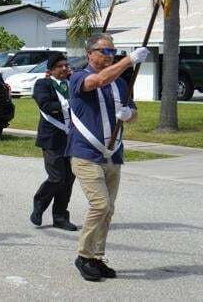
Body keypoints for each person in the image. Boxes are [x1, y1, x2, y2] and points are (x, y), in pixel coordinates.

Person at [67, 33, 147, 281]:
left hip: (113, 154)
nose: (109, 56)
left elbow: (133, 112)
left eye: (112, 52)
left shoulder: (121, 84)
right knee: (100, 205)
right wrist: (129, 60)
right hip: (86, 154)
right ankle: (83, 255)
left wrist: (128, 114)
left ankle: (97, 257)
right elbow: (96, 82)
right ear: (90, 53)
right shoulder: (79, 77)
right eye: (104, 51)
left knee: (108, 210)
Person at [30, 52, 77, 231]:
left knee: (68, 179)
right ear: (51, 70)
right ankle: (39, 205)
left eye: (66, 65)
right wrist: (68, 103)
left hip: (72, 138)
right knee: (57, 177)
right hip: (52, 138)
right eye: (59, 66)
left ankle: (60, 216)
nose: (64, 69)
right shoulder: (43, 84)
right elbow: (46, 106)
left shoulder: (72, 84)